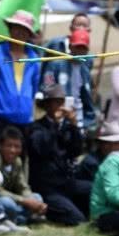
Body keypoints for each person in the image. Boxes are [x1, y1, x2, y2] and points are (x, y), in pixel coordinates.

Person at [27, 84, 89, 226]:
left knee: (91, 189)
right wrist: (54, 125)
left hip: (66, 182)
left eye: (62, 101)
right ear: (47, 105)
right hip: (47, 187)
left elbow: (76, 151)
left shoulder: (66, 126)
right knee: (76, 218)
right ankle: (49, 212)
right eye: (56, 102)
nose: (60, 106)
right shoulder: (36, 127)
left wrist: (74, 126)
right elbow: (42, 149)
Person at [0, 10, 41, 148]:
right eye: (17, 28)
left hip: (23, 121)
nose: (20, 33)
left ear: (29, 35)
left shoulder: (35, 59)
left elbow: (35, 88)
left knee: (17, 162)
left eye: (24, 30)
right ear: (10, 29)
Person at [0, 126, 47, 225]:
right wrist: (24, 201)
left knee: (37, 197)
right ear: (0, 145)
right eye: (9, 146)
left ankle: (20, 218)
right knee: (9, 205)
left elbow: (22, 186)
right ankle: (23, 218)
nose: (13, 150)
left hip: (10, 197)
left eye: (17, 146)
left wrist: (32, 201)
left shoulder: (17, 161)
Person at [42, 29, 95, 130]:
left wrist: (87, 120)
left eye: (83, 48)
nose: (80, 51)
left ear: (87, 51)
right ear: (70, 46)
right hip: (57, 117)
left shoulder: (85, 71)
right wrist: (56, 105)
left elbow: (87, 97)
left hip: (78, 120)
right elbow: (46, 85)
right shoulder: (55, 64)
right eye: (77, 47)